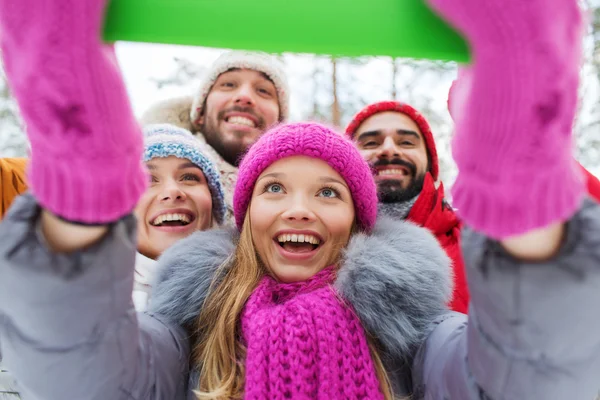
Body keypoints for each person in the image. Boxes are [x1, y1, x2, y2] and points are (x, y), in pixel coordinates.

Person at [2, 1, 600, 400]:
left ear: (361, 222)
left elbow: (523, 377)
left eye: (329, 192)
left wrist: (521, 183)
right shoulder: (190, 322)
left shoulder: (412, 329)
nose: (299, 209)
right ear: (242, 218)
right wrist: (81, 185)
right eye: (274, 188)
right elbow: (88, 377)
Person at [345, 101, 469, 313]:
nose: (388, 150)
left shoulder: (479, 243)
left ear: (430, 163)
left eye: (406, 143)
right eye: (371, 143)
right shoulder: (318, 243)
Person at [140, 50, 290, 222]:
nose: (244, 96)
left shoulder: (302, 199)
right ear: (200, 114)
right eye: (228, 85)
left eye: (263, 90)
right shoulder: (141, 177)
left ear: (280, 124)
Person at [133, 123, 226, 311]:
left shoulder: (248, 291)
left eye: (189, 177)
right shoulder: (80, 293)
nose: (172, 191)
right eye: (148, 180)